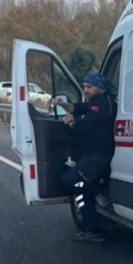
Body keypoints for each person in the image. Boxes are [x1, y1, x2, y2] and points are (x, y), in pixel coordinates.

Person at [51, 73, 117, 242]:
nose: (85, 89)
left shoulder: (102, 105)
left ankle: (99, 197)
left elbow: (84, 126)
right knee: (82, 188)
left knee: (70, 181)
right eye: (84, 86)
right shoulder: (95, 102)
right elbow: (77, 108)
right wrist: (63, 104)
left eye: (89, 87)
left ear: (101, 88)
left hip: (99, 157)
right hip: (91, 156)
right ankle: (93, 226)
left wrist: (72, 123)